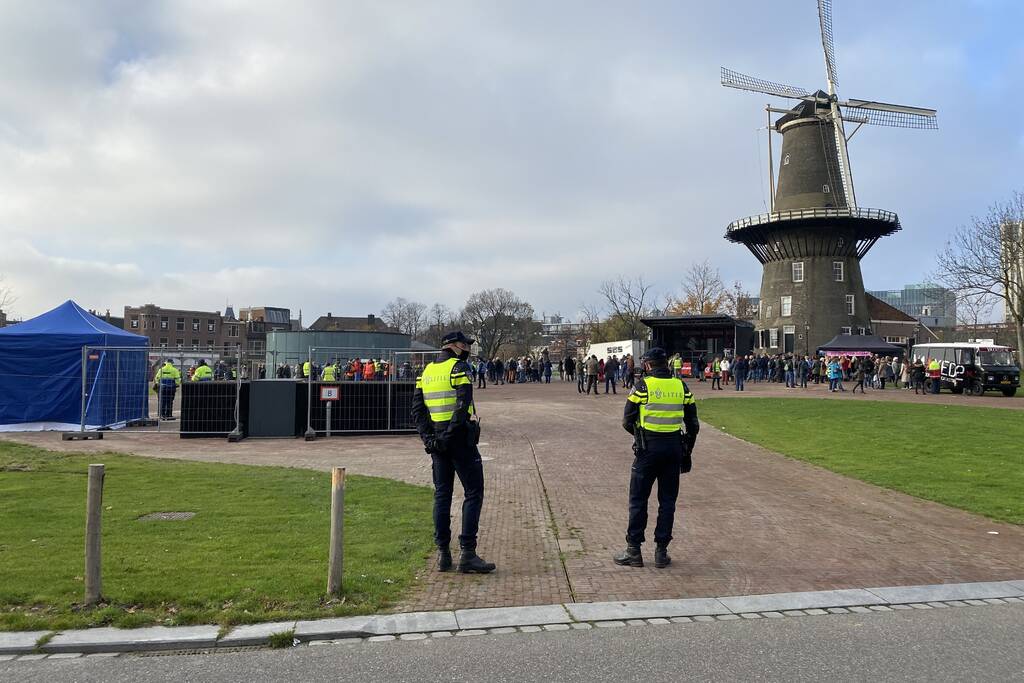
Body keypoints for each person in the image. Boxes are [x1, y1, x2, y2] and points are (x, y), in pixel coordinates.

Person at [411, 331, 495, 574]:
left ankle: (443, 554)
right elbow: (462, 404)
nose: (468, 348)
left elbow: (417, 410)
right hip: (457, 438)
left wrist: (430, 439)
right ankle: (468, 553)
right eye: (466, 344)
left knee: (442, 495)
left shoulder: (425, 372)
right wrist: (448, 437)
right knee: (474, 491)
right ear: (455, 346)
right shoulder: (459, 368)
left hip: (437, 439)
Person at [613, 348, 699, 569]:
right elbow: (693, 424)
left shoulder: (643, 386)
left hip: (648, 449)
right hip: (673, 448)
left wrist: (640, 436)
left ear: (649, 365)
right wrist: (687, 448)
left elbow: (626, 420)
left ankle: (634, 551)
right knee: (667, 502)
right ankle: (661, 552)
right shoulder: (681, 386)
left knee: (638, 500)